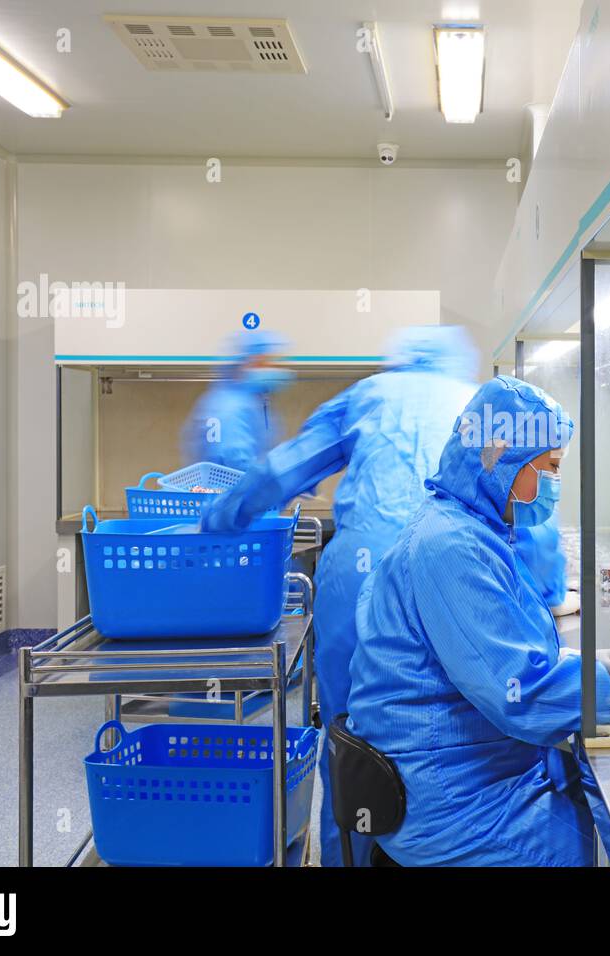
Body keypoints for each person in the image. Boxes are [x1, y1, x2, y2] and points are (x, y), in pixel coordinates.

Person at [345, 376, 610, 867]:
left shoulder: (470, 527)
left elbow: (499, 647)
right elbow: (523, 692)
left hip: (468, 772)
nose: (555, 485)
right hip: (451, 805)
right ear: (502, 459)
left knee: (595, 804)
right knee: (606, 846)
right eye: (552, 468)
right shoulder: (450, 546)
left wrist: (575, 661)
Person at [199, 325, 479, 866]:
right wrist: (541, 585)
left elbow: (284, 467)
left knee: (349, 734)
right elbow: (526, 500)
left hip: (360, 576)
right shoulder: (475, 402)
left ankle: (350, 853)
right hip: (452, 573)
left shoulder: (370, 393)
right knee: (453, 724)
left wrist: (221, 515)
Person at [181, 330, 295, 471]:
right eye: (267, 362)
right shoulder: (231, 406)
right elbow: (236, 466)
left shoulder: (251, 402)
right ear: (246, 364)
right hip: (228, 492)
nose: (276, 369)